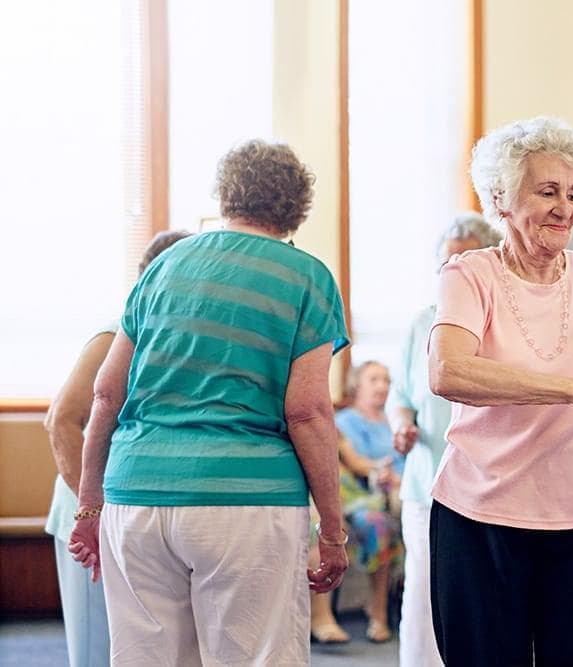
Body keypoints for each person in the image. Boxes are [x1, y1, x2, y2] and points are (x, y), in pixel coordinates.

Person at [67, 139, 352, 664]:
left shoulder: (164, 265)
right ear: (296, 207)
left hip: (136, 497)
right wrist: (331, 531)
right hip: (245, 502)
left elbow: (107, 393)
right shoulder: (306, 277)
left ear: (227, 195)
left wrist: (89, 507)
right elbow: (307, 411)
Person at [427, 116, 573, 666]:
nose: (566, 208)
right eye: (548, 191)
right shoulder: (468, 274)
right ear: (501, 199)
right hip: (476, 518)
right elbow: (449, 373)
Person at [44, 230, 189, 667]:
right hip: (89, 513)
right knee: (96, 650)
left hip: (136, 515)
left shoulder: (169, 339)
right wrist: (96, 512)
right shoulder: (114, 335)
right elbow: (61, 422)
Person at [387, 212, 502, 667]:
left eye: (462, 261)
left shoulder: (499, 318)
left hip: (491, 487)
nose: (450, 272)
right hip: (426, 483)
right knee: (421, 596)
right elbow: (402, 396)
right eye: (444, 263)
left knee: (484, 600)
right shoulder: (423, 322)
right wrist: (401, 426)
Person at [312, 361, 403, 644]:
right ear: (356, 384)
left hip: (395, 492)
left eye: (386, 380)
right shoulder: (344, 421)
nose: (382, 386)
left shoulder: (395, 421)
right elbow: (355, 465)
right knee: (377, 524)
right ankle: (377, 611)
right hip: (361, 496)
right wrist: (380, 472)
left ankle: (383, 609)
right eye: (374, 379)